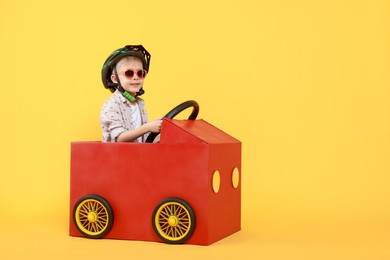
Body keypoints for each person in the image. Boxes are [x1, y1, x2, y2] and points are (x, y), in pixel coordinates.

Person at [100, 45, 162, 142]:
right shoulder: (112, 105)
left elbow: (142, 139)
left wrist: (159, 129)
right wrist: (147, 127)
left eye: (140, 73)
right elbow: (119, 138)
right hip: (116, 156)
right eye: (129, 73)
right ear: (115, 79)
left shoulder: (139, 104)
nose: (136, 77)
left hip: (137, 155)